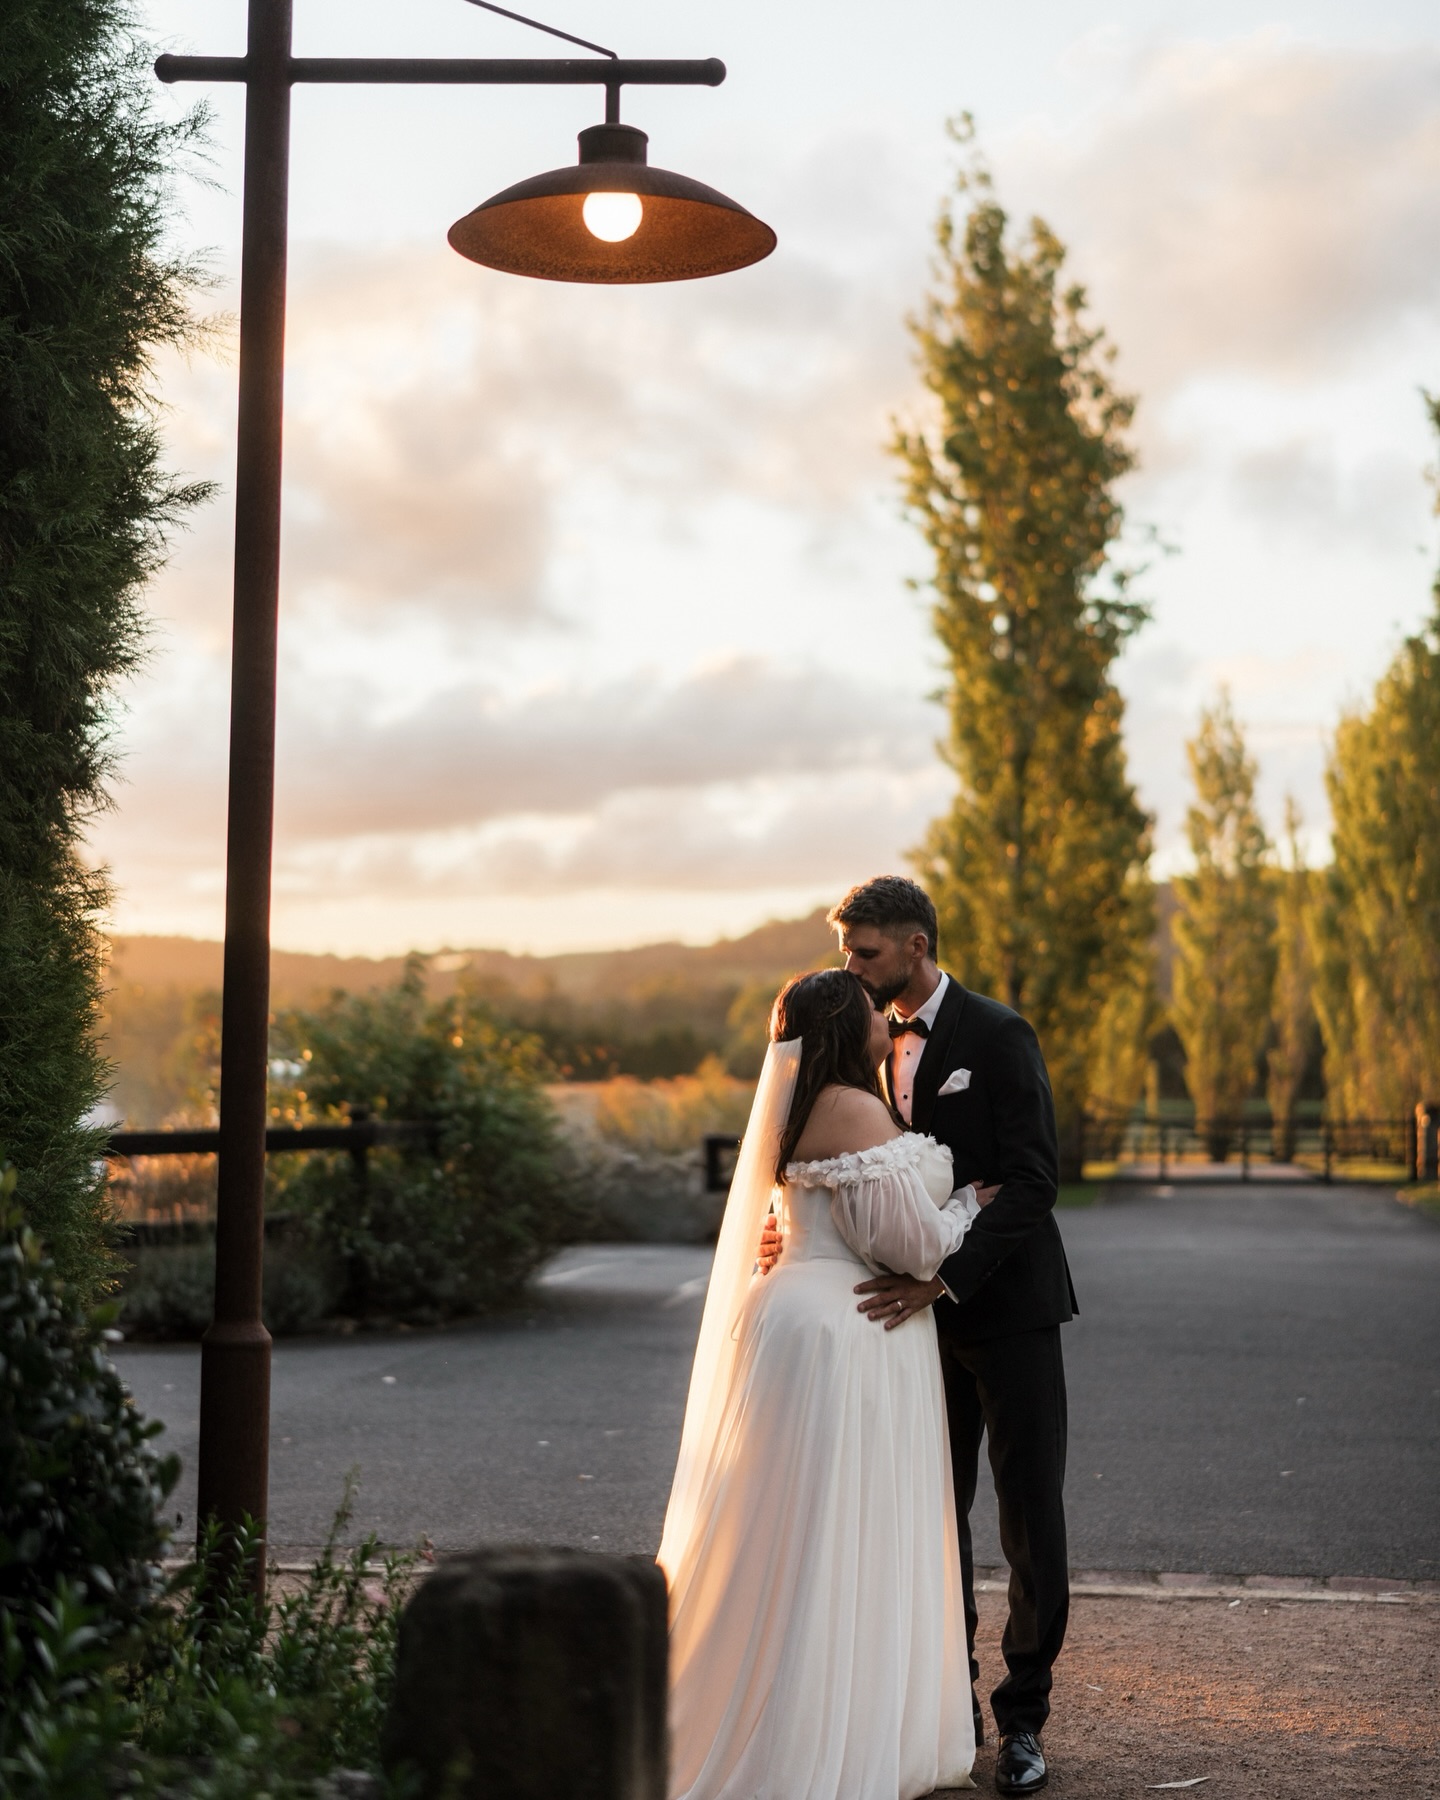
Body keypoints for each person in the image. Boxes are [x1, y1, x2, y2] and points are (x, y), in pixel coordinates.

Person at [658, 968, 998, 1800]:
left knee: (785, 1526)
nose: (887, 1018)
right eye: (870, 1013)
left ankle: (780, 1706)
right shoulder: (854, 1107)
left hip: (796, 1319)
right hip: (851, 1330)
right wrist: (969, 1208)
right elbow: (907, 1247)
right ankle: (825, 1737)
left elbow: (801, 1218)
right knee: (839, 1529)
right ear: (850, 1030)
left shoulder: (799, 1104)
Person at [804, 874, 1075, 1798]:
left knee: (1030, 1519)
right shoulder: (862, 1048)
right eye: (848, 952)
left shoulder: (998, 1035)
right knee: (933, 1517)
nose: (853, 967)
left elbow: (1036, 1180)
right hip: (911, 1331)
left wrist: (943, 1279)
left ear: (916, 945)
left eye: (866, 951)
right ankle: (945, 1706)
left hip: (1009, 1312)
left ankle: (1024, 1721)